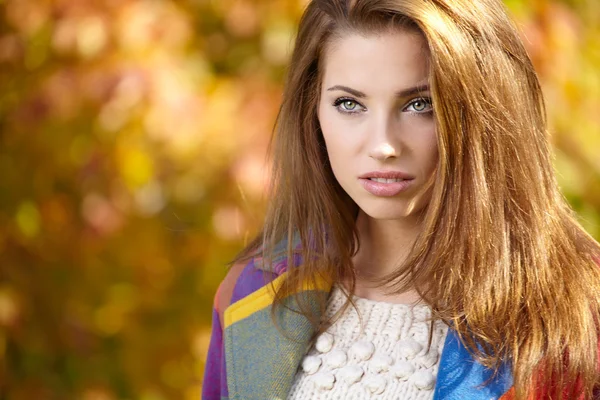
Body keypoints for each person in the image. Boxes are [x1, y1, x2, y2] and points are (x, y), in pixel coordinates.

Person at [202, 0, 600, 399]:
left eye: (419, 105)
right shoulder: (253, 293)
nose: (383, 145)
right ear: (313, 111)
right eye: (349, 104)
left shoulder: (579, 309)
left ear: (485, 112)